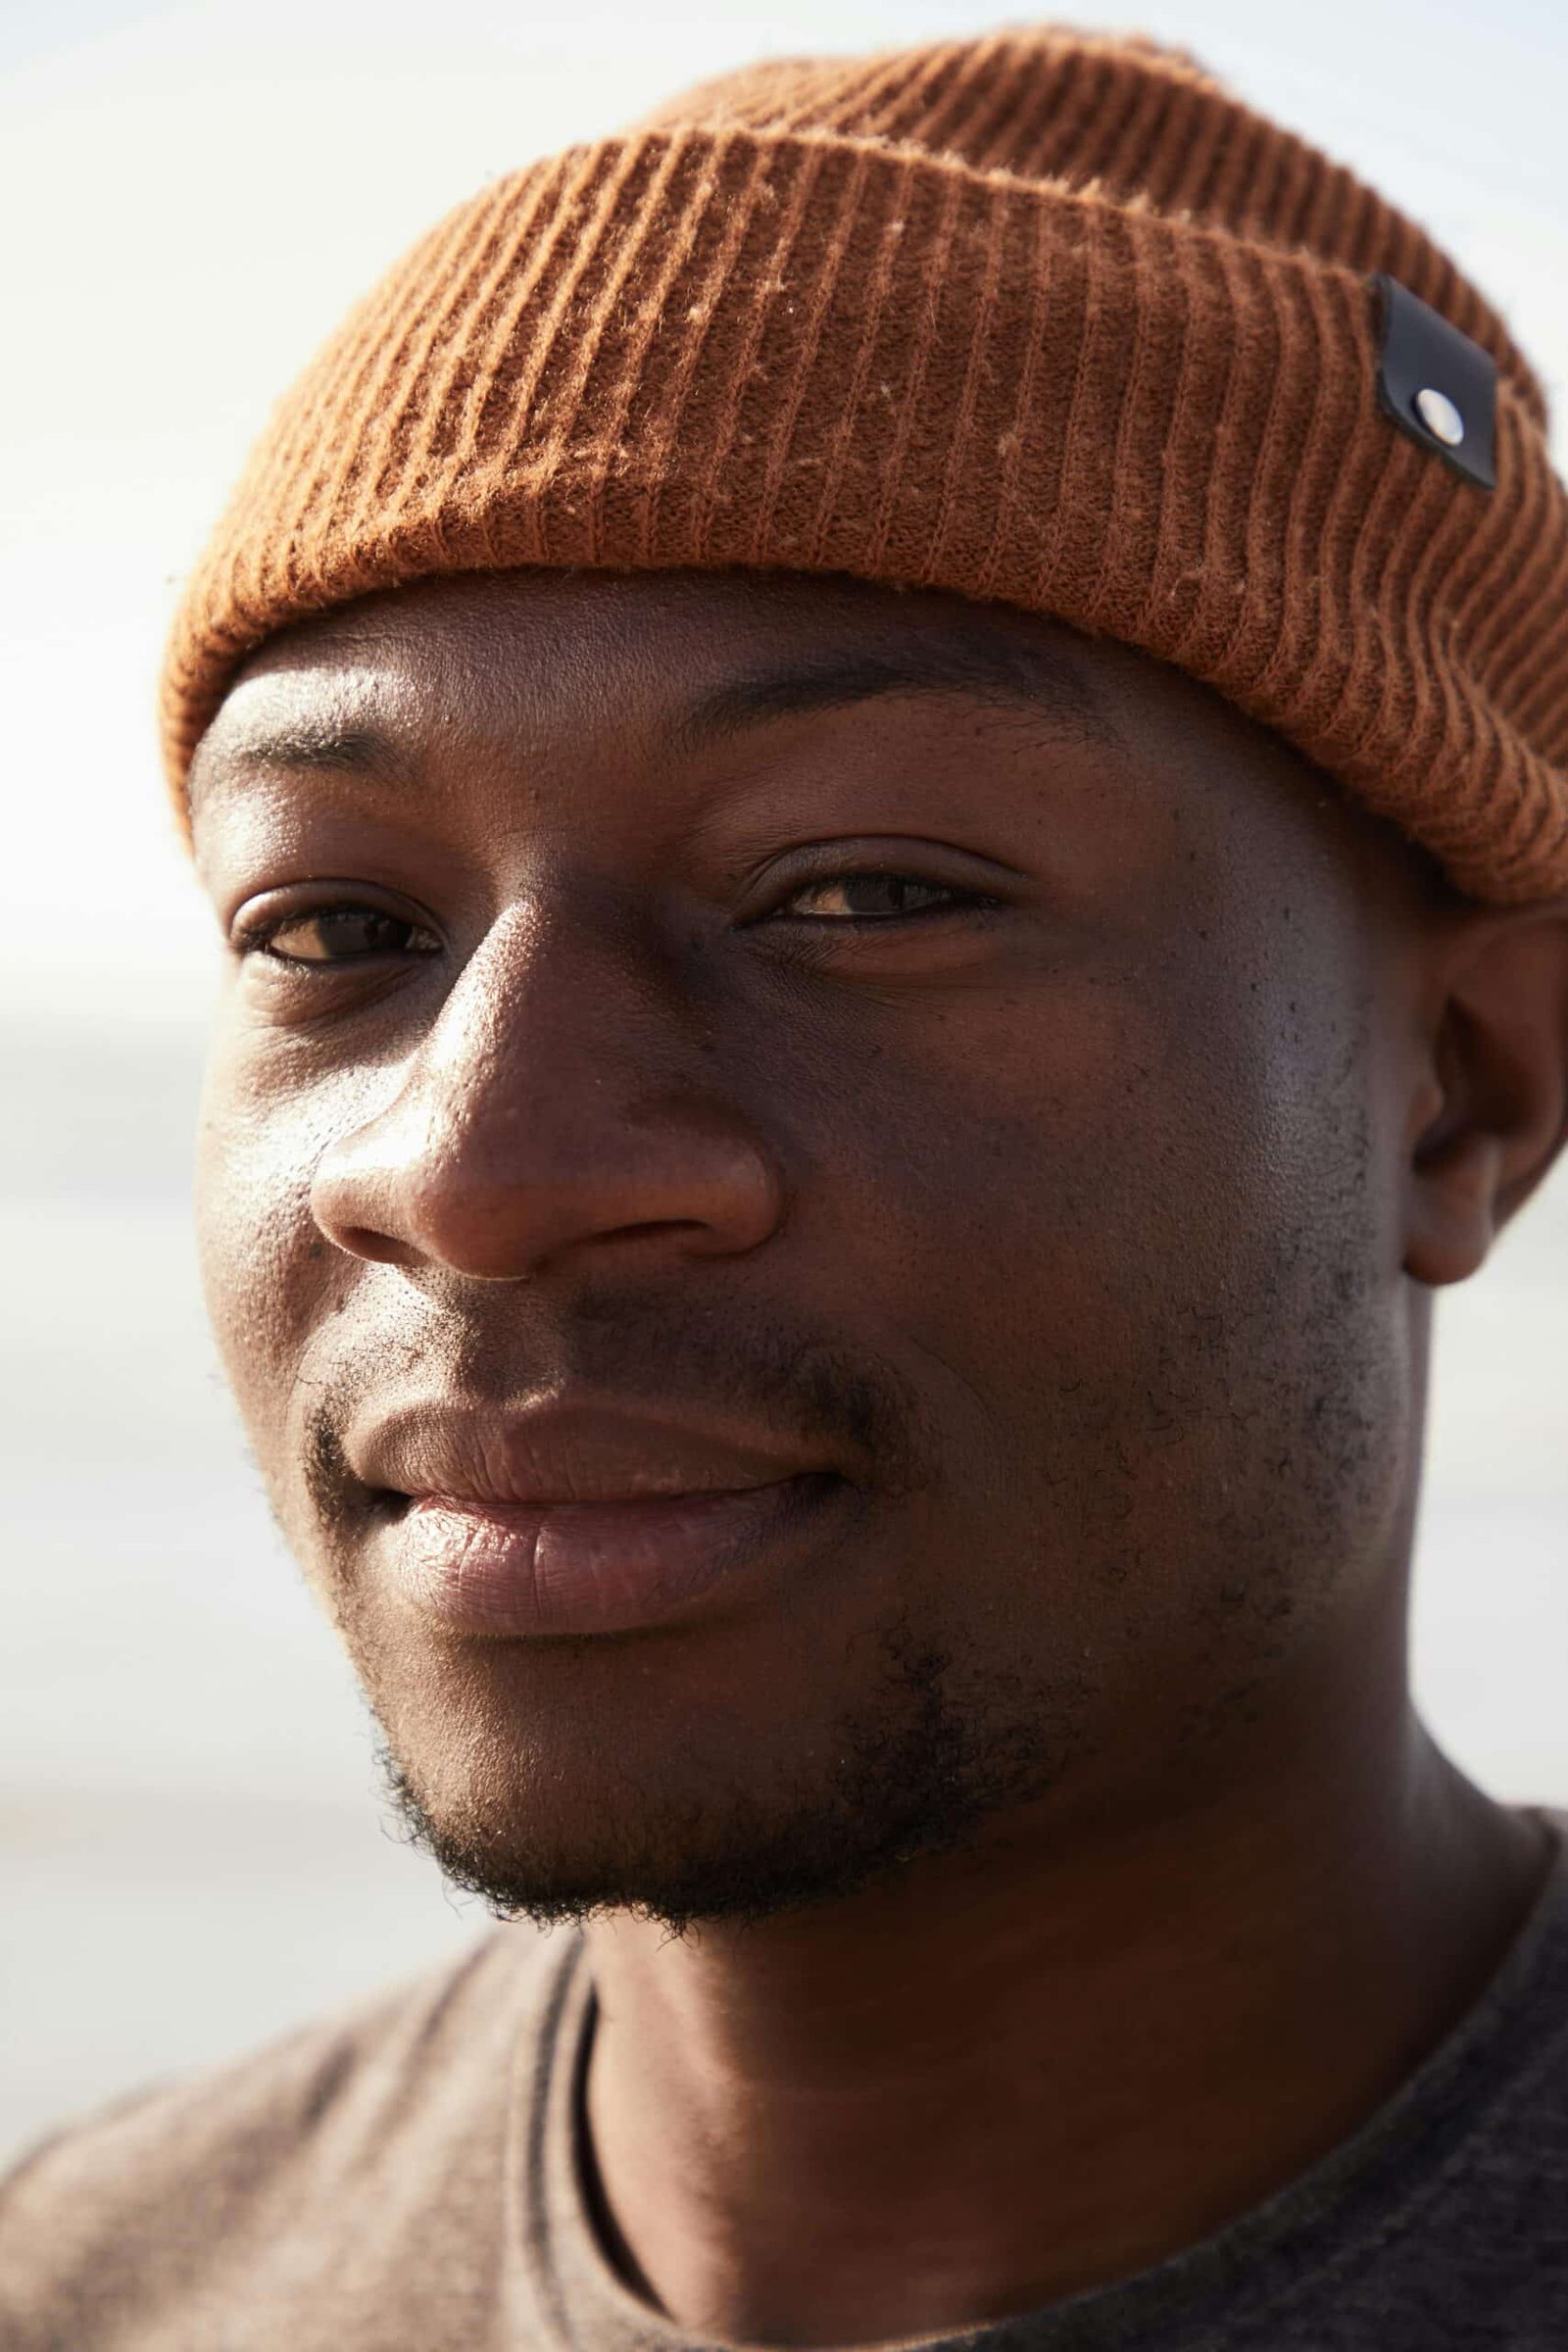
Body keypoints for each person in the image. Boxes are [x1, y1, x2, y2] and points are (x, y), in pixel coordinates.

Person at [4, 24, 1566, 2350]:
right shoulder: (101, 2282)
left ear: (1453, 1091)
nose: (480, 1169)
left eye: (855, 895)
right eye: (338, 931)